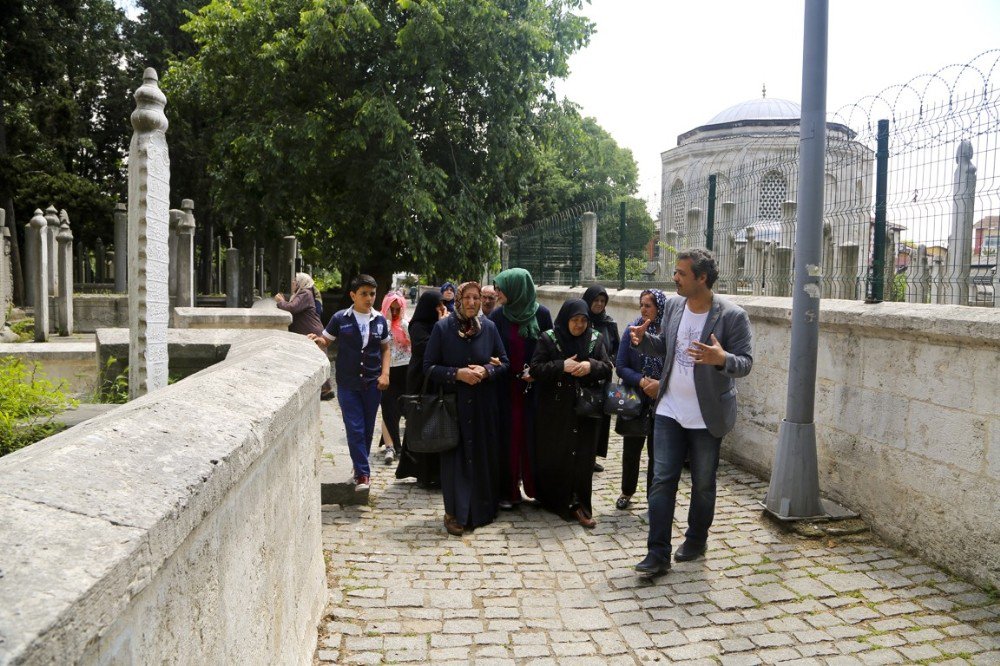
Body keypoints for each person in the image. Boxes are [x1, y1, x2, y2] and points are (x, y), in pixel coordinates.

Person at [631, 249, 753, 576]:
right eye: (676, 272)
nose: (675, 278)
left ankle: (696, 539)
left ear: (702, 278)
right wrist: (644, 341)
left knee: (702, 484)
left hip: (706, 417)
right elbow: (666, 348)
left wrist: (721, 359)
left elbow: (745, 363)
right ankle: (657, 553)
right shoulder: (672, 306)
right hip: (670, 409)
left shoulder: (732, 316)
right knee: (661, 480)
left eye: (682, 273)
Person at [424, 281, 509, 536]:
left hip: (483, 406)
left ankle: (481, 510)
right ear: (459, 300)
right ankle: (454, 513)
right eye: (468, 298)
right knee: (455, 461)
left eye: (476, 298)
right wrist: (456, 374)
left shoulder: (490, 328)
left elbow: (505, 362)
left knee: (481, 457)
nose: (472, 302)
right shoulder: (442, 328)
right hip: (454, 407)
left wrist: (487, 370)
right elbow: (428, 366)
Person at [529, 298, 613, 528]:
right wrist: (561, 366)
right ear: (565, 320)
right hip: (555, 409)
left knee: (583, 458)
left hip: (586, 410)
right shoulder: (549, 338)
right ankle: (553, 499)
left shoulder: (595, 340)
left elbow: (607, 368)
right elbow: (535, 369)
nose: (578, 325)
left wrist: (590, 367)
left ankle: (579, 504)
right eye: (574, 320)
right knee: (557, 453)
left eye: (583, 321)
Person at [309, 275, 391, 492]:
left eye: (372, 294)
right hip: (347, 382)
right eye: (363, 293)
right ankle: (364, 475)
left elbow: (385, 349)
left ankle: (358, 467)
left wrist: (385, 374)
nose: (369, 298)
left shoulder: (380, 320)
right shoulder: (340, 318)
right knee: (354, 428)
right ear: (353, 295)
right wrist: (319, 341)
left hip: (373, 383)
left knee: (366, 429)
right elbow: (326, 340)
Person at [488, 268, 553, 509]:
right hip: (507, 389)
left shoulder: (542, 314)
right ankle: (508, 490)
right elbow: (491, 349)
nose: (497, 293)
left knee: (534, 437)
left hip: (535, 389)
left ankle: (538, 488)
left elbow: (550, 347)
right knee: (510, 438)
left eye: (501, 288)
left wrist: (537, 372)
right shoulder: (497, 317)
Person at [614, 288, 666, 510]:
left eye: (649, 305)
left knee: (658, 453)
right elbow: (621, 366)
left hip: (662, 399)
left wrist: (659, 385)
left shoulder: (667, 333)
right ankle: (627, 491)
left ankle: (653, 498)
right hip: (636, 398)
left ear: (659, 308)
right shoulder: (632, 330)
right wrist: (642, 381)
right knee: (632, 449)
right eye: (641, 305)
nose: (644, 310)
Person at [395, 290, 448, 488]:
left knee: (437, 423)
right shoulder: (417, 326)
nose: (442, 309)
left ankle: (437, 472)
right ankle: (421, 472)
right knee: (421, 422)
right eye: (437, 306)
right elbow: (428, 348)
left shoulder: (440, 324)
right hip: (421, 380)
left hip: (436, 379)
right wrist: (442, 326)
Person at [275, 272, 333, 400]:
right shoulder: (303, 293)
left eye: (295, 281)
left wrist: (280, 302)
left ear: (301, 282)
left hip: (312, 331)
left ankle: (326, 390)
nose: (293, 283)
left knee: (318, 360)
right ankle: (325, 389)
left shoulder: (305, 293)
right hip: (309, 330)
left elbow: (292, 308)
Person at [582, 285, 621, 472]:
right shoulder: (581, 320)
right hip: (584, 377)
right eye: (595, 300)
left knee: (600, 419)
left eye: (602, 301)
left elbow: (616, 349)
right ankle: (581, 454)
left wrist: (611, 361)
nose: (598, 304)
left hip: (603, 376)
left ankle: (593, 456)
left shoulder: (609, 324)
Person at [377, 291, 410, 465]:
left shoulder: (405, 323)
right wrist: (388, 321)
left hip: (404, 369)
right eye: (392, 308)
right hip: (387, 370)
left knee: (405, 408)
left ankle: (403, 446)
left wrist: (402, 325)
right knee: (388, 409)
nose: (395, 312)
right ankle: (391, 446)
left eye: (398, 309)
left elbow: (413, 344)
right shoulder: (380, 323)